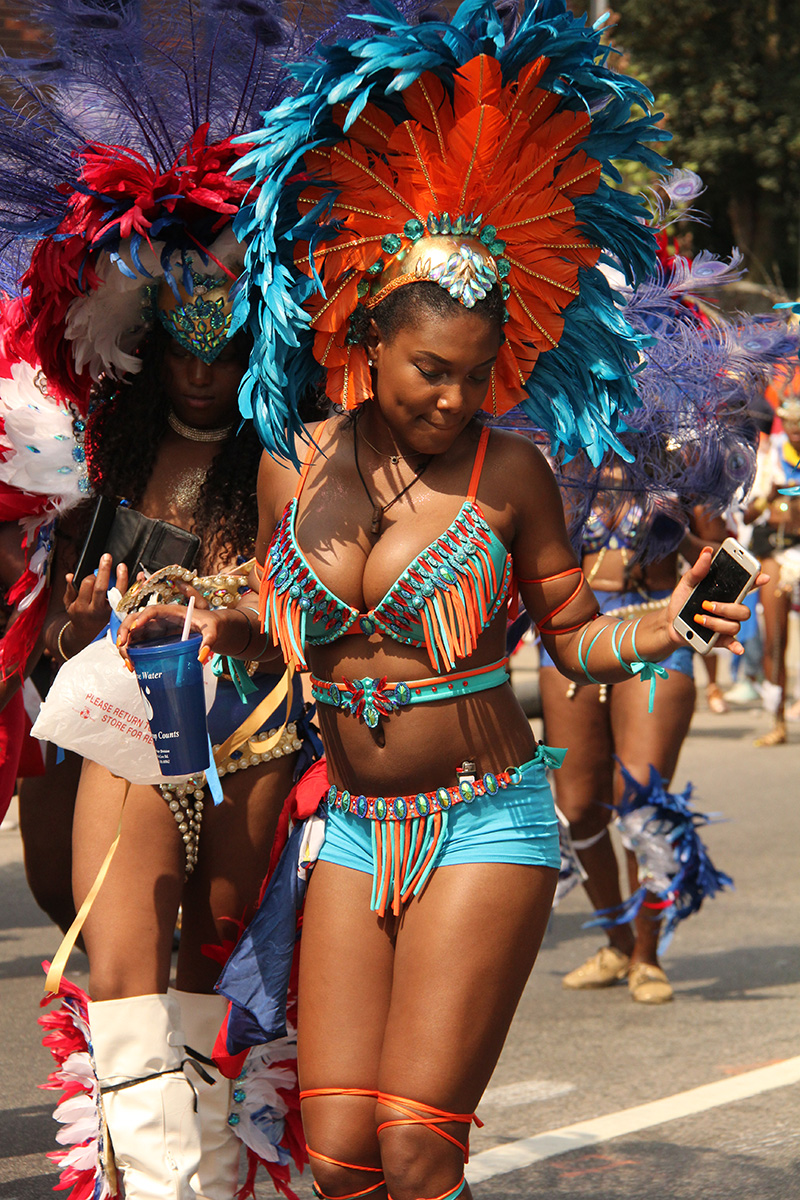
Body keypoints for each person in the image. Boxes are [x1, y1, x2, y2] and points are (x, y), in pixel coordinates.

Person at [118, 6, 763, 1199]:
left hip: (483, 819)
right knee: (338, 1159)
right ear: (370, 342)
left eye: (475, 375)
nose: (454, 399)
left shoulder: (506, 473)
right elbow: (277, 621)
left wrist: (672, 623)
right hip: (354, 827)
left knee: (417, 1148)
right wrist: (219, 622)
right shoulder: (292, 461)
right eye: (430, 370)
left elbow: (573, 638)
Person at [744, 376, 800, 744]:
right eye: (791, 424)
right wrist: (771, 496)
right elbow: (750, 514)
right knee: (775, 639)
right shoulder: (771, 456)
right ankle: (777, 718)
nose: (796, 431)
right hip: (778, 553)